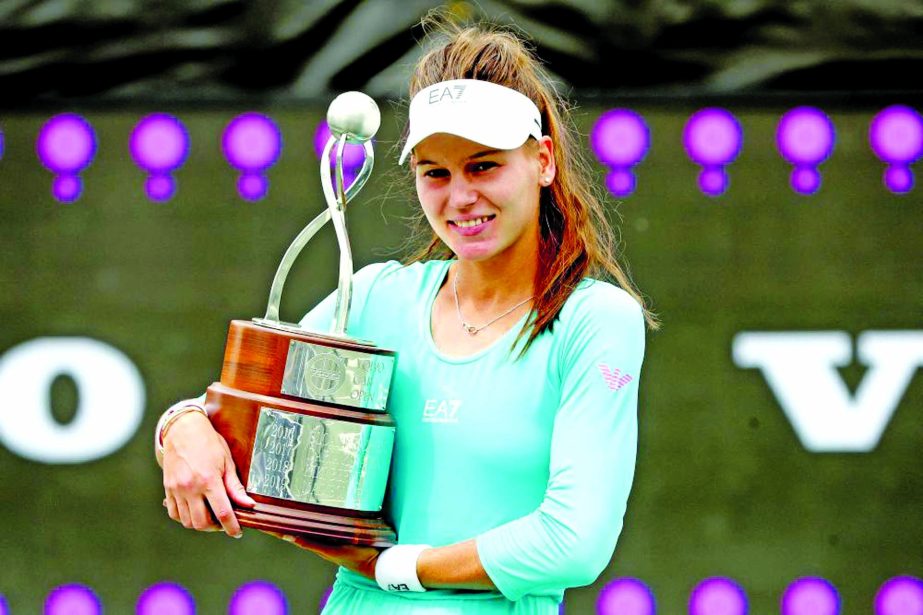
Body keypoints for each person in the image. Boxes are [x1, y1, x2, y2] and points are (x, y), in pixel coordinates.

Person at [156, 19, 656, 615]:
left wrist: (394, 568)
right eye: (435, 173)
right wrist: (181, 428)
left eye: (484, 166)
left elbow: (574, 542)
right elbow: (229, 418)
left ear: (543, 161)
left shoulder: (595, 320)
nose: (460, 197)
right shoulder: (373, 298)